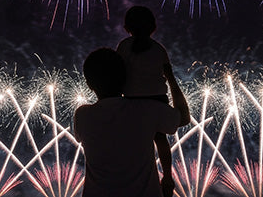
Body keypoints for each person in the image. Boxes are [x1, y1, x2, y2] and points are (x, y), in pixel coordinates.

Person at [73, 48, 190, 197]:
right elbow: (184, 117)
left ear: (89, 84)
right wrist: (170, 77)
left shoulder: (83, 115)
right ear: (126, 78)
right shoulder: (147, 110)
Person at [116, 5, 190, 197]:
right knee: (160, 139)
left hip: (131, 99)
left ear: (127, 27)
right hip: (157, 99)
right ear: (152, 27)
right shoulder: (159, 49)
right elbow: (167, 73)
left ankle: (131, 176)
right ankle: (166, 176)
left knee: (133, 142)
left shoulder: (124, 47)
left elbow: (118, 73)